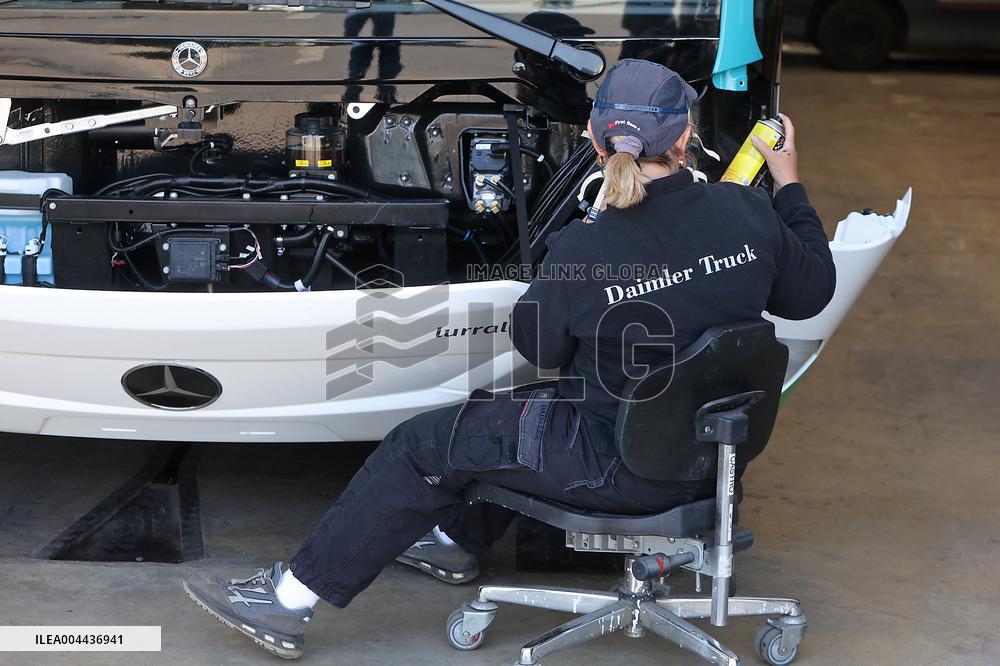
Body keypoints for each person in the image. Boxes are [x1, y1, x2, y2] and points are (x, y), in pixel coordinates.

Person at [182, 59, 836, 659]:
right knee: (505, 422)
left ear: (593, 135)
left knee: (423, 443)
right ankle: (455, 545)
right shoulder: (747, 212)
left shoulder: (587, 246)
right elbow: (812, 293)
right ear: (687, 137)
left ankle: (288, 600)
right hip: (714, 460)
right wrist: (789, 181)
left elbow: (541, 349)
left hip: (615, 464)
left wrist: (573, 255)